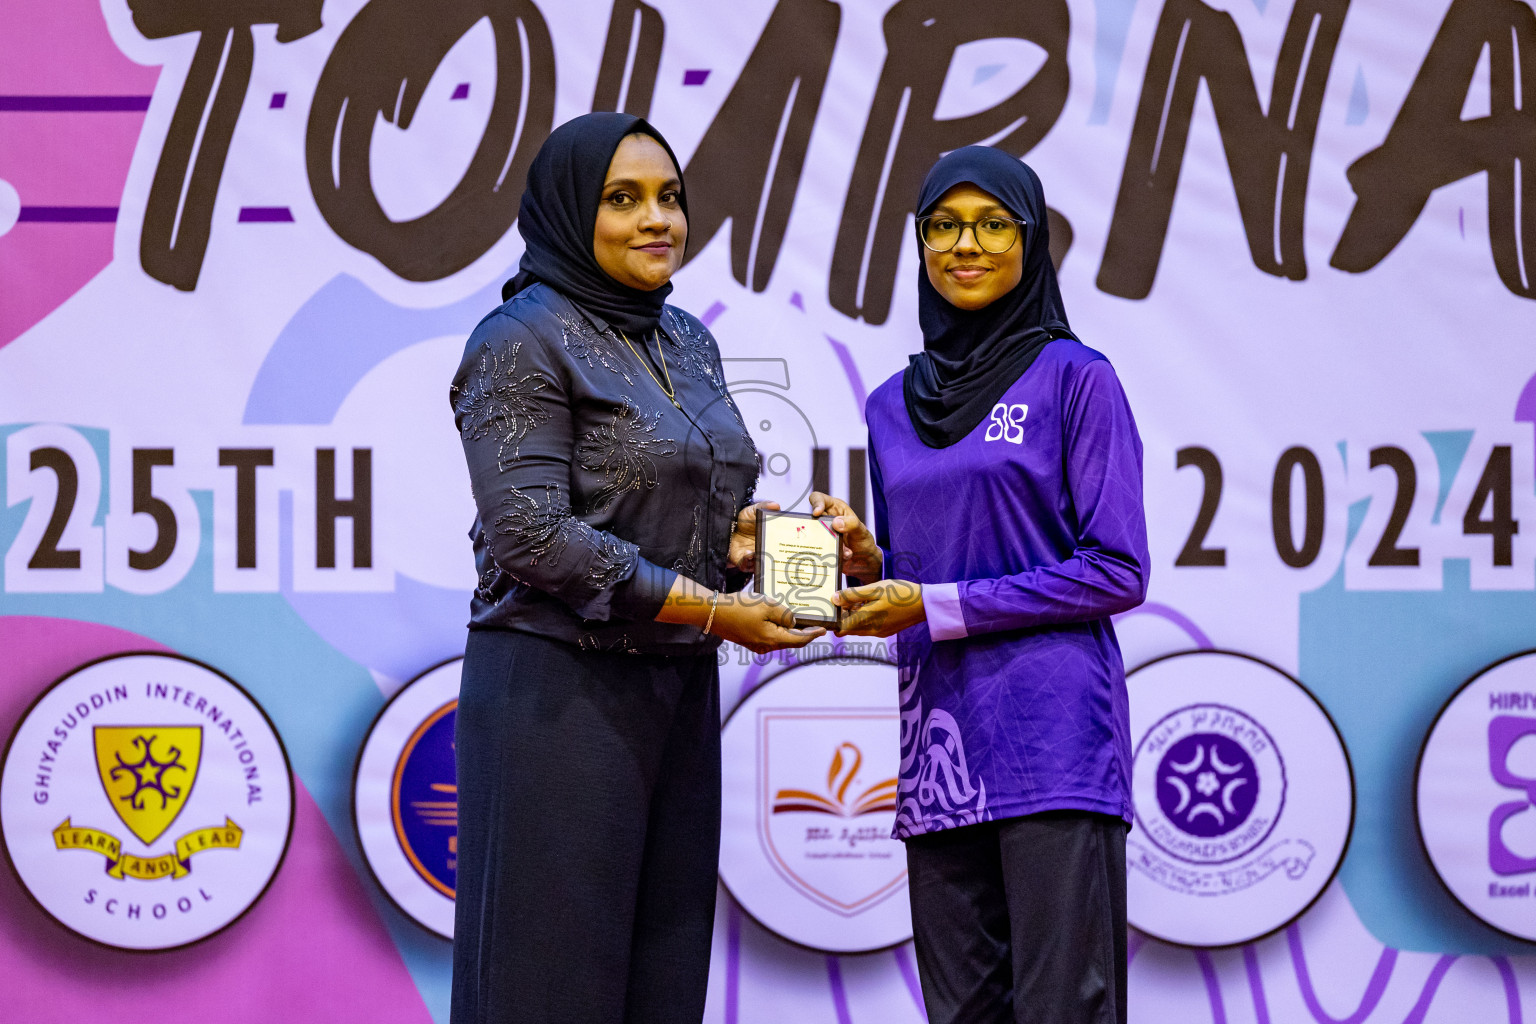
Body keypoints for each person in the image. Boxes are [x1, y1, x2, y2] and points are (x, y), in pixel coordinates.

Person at [447, 112, 821, 1024]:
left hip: (675, 697)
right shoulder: (518, 339)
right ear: (573, 214)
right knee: (551, 991)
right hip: (558, 702)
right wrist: (709, 610)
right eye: (624, 200)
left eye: (670, 198)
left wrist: (762, 550)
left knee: (663, 986)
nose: (659, 219)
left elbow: (689, 513)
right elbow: (531, 536)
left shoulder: (686, 337)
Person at [813, 146, 1148, 1024]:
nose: (968, 244)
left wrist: (934, 605)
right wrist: (870, 566)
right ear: (920, 244)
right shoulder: (891, 404)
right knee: (960, 1013)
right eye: (944, 226)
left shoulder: (1079, 380)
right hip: (941, 755)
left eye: (994, 223)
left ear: (1031, 243)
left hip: (1053, 745)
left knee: (1063, 1008)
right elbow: (926, 568)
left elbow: (1116, 568)